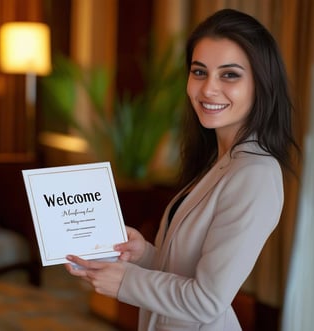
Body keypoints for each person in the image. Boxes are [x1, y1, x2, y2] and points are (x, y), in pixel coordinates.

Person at [65, 8, 299, 330]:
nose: (208, 89)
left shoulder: (255, 174)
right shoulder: (219, 160)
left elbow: (207, 300)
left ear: (261, 84)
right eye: (199, 72)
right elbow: (188, 268)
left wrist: (125, 283)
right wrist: (144, 255)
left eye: (229, 74)